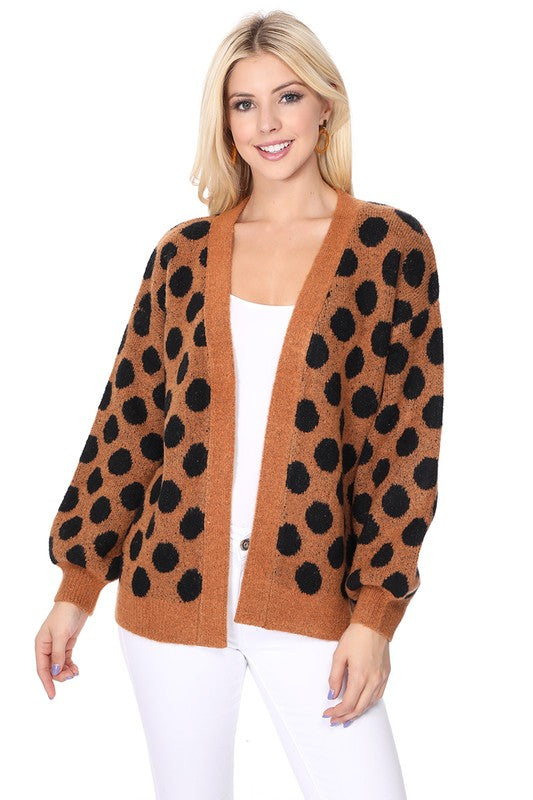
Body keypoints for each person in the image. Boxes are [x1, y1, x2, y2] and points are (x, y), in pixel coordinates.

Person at [35, 10, 444, 800]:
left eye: (287, 97)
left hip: (315, 598)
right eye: (243, 104)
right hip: (168, 597)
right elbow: (128, 424)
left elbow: (406, 446)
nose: (267, 124)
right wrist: (74, 590)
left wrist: (374, 616)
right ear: (224, 123)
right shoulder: (183, 255)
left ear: (325, 104)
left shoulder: (388, 248)